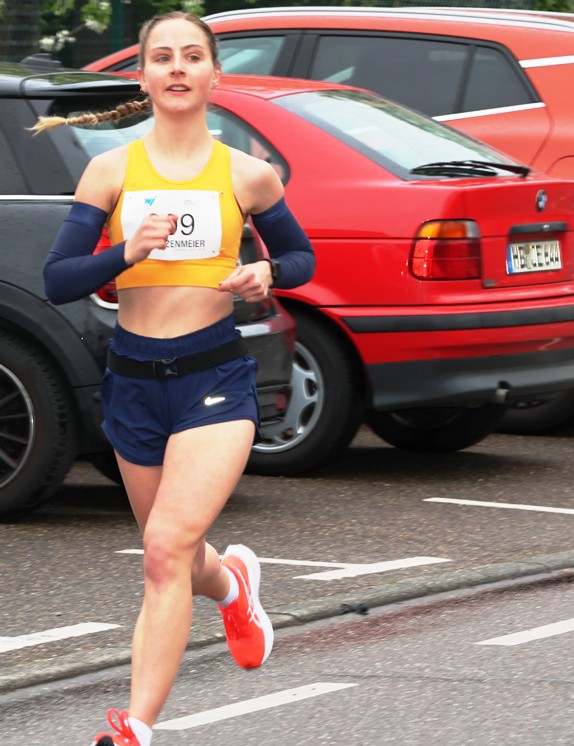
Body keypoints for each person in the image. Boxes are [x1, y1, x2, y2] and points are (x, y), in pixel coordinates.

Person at [38, 12, 315, 746]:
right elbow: (59, 279)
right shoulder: (111, 172)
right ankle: (233, 586)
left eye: (193, 56)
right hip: (132, 381)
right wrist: (125, 252)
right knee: (181, 558)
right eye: (163, 57)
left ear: (215, 74)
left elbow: (302, 259)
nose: (178, 68)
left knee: (163, 550)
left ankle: (135, 727)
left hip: (212, 379)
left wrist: (267, 272)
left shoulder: (247, 175)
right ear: (144, 76)